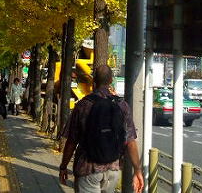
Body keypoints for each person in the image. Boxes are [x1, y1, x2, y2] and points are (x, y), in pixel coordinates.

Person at [59, 65, 144, 193]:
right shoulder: (122, 105)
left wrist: (63, 166)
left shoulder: (83, 105)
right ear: (111, 80)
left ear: (94, 80)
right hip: (112, 169)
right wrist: (137, 170)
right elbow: (130, 141)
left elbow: (72, 141)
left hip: (87, 169)